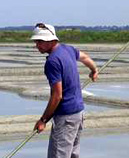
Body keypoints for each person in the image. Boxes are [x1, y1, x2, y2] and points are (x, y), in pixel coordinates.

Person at [32, 23, 98, 158]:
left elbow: (57, 95)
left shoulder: (52, 61)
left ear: (51, 40)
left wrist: (43, 120)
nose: (37, 45)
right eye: (36, 42)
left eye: (40, 41)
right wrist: (94, 70)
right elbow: (85, 58)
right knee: (73, 153)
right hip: (78, 114)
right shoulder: (68, 49)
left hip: (65, 118)